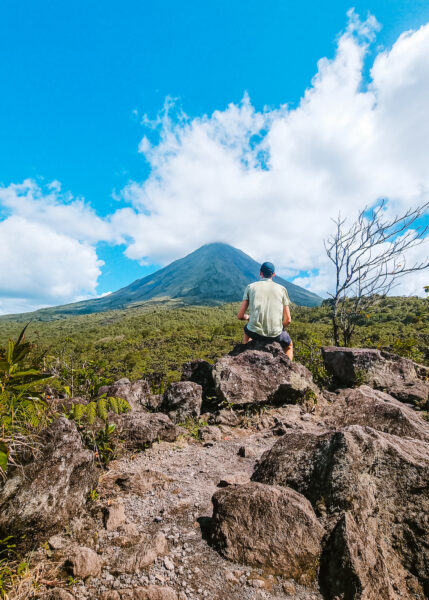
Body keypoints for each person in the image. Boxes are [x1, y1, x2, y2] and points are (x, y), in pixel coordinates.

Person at [237, 261, 293, 360]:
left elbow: (240, 316)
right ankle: (289, 367)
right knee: (289, 346)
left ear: (260, 273)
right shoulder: (282, 289)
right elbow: (288, 319)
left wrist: (248, 317)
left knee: (247, 328)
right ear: (274, 274)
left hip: (255, 334)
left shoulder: (251, 287)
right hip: (275, 335)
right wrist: (278, 328)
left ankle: (246, 353)